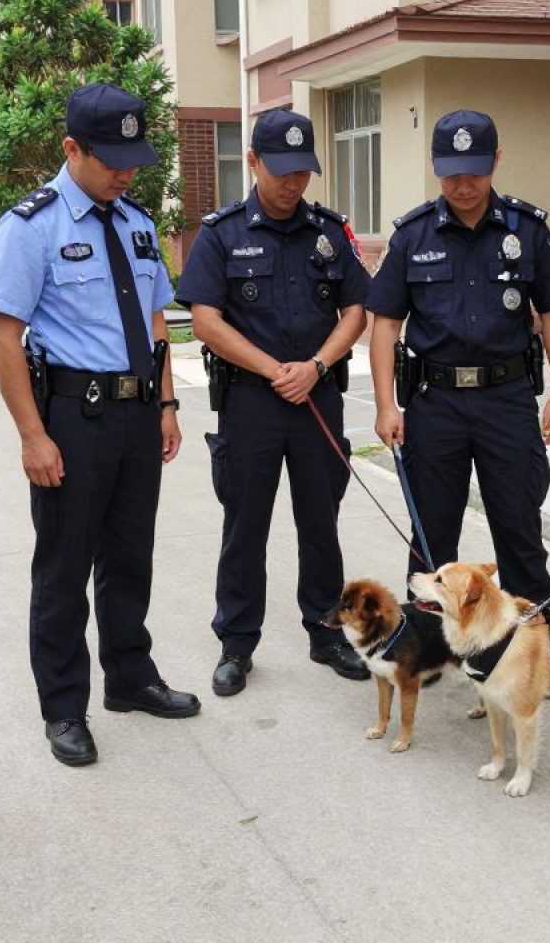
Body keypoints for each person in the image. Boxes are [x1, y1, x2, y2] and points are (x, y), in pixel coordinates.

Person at [0, 82, 200, 768]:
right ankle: (63, 707)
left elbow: (155, 319)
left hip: (138, 415)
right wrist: (31, 433)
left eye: (134, 158)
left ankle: (130, 678)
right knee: (64, 565)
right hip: (74, 418)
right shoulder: (32, 226)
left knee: (129, 556)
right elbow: (3, 334)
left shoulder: (136, 222)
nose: (126, 171)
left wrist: (165, 403)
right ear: (71, 148)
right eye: (111, 159)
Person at [175, 108, 371, 696]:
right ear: (253, 163)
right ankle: (237, 643)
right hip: (251, 404)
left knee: (321, 523)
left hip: (317, 399)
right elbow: (205, 321)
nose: (293, 183)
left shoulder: (330, 233)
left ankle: (326, 631)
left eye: (303, 172)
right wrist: (273, 370)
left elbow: (356, 310)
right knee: (245, 526)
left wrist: (315, 367)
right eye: (281, 171)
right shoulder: (222, 233)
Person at [366, 110, 550, 613]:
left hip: (505, 401)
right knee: (432, 534)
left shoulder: (526, 230)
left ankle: (534, 643)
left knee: (519, 527)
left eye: (476, 172)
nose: (464, 185)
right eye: (452, 173)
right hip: (434, 402)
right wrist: (384, 405)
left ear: (497, 161)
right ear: (434, 165)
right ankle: (428, 647)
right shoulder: (412, 236)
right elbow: (386, 325)